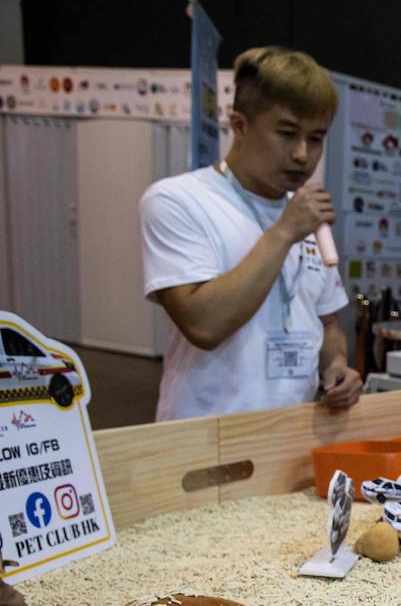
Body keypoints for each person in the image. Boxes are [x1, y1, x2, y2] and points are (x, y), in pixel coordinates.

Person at [139, 46, 361, 422]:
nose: (303, 154)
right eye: (287, 133)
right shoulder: (177, 200)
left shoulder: (306, 218)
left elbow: (327, 323)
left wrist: (337, 364)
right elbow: (203, 324)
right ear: (239, 124)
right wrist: (285, 231)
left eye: (317, 137)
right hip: (206, 435)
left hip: (294, 434)